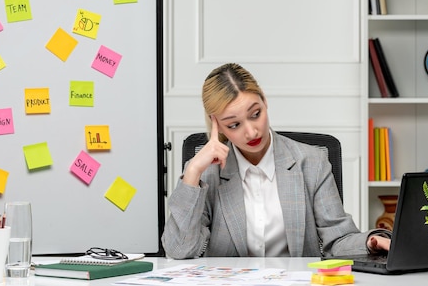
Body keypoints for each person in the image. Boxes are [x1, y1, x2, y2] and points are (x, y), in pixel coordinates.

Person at [162, 63, 391, 259]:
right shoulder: (207, 173)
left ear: (264, 100)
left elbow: (337, 239)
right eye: (234, 125)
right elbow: (179, 249)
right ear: (217, 125)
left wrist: (370, 242)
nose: (251, 132)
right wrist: (192, 171)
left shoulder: (312, 162)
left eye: (255, 114)